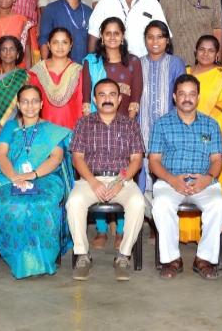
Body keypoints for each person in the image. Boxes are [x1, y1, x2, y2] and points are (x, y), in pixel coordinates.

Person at [0, 85, 74, 279]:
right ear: (18, 104)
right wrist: (15, 177)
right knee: (6, 202)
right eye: (25, 101)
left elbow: (56, 158)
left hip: (44, 176)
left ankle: (41, 259)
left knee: (41, 203)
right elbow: (1, 154)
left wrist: (32, 175)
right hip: (9, 175)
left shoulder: (51, 131)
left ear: (41, 104)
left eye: (34, 101)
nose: (30, 105)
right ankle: (19, 258)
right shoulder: (10, 127)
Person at [149, 74, 222, 280]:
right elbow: (154, 161)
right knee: (161, 205)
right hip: (170, 181)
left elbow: (217, 160)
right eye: (182, 94)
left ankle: (204, 259)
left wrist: (207, 178)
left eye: (192, 94)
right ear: (174, 97)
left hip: (204, 182)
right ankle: (172, 259)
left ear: (198, 97)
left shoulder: (210, 125)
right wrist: (172, 180)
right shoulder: (161, 124)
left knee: (219, 205)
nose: (187, 98)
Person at [67, 79, 146, 281]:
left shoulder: (130, 125)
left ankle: (123, 256)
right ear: (95, 100)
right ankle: (82, 256)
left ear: (120, 99)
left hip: (122, 180)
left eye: (112, 95)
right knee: (74, 201)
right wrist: (93, 182)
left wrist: (121, 182)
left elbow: (136, 160)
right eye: (102, 95)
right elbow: (77, 158)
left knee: (138, 203)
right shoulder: (83, 124)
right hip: (90, 179)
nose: (107, 99)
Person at [82, 17, 143, 249]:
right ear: (101, 36)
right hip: (96, 126)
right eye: (107, 33)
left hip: (124, 127)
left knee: (122, 175)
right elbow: (86, 98)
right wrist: (91, 127)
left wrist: (127, 129)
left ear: (123, 35)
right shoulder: (91, 62)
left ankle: (121, 230)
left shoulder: (133, 61)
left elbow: (135, 98)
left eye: (116, 33)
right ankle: (100, 230)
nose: (112, 37)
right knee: (98, 173)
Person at [182, 35, 222, 242]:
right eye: (202, 49)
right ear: (195, 51)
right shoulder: (185, 73)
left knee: (213, 182)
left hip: (214, 140)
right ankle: (186, 232)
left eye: (211, 50)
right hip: (186, 139)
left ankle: (213, 233)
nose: (206, 54)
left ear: (217, 54)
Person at [138, 21, 186, 242]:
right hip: (142, 129)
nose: (155, 41)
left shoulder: (176, 63)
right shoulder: (137, 64)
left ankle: (164, 223)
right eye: (150, 37)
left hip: (169, 131)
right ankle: (150, 222)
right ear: (145, 40)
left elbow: (181, 98)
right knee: (144, 176)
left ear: (167, 40)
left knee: (166, 172)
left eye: (160, 37)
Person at [88, 0, 168, 58]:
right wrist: (92, 63)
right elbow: (94, 36)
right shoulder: (104, 2)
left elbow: (164, 35)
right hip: (110, 63)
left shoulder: (152, 3)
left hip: (144, 63)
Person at [29, 28, 83, 130]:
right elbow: (32, 105)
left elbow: (80, 106)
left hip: (71, 130)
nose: (60, 46)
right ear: (49, 45)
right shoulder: (38, 72)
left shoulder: (78, 71)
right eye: (55, 42)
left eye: (64, 42)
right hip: (44, 130)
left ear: (71, 45)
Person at [39, 0, 92, 64]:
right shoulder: (50, 10)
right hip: (59, 69)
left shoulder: (89, 12)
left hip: (85, 69)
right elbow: (44, 40)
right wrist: (46, 68)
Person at [0, 36, 30, 135]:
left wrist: (15, 127)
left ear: (17, 54)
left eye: (12, 49)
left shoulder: (25, 76)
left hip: (17, 128)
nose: (8, 52)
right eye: (4, 49)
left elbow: (27, 106)